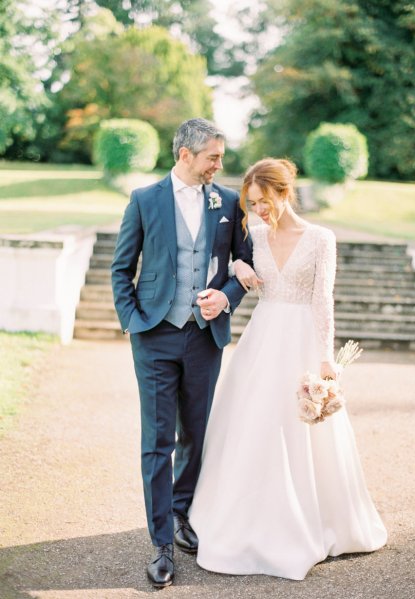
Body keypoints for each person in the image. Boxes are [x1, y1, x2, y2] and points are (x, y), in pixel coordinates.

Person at [189, 157, 387, 580]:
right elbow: (227, 265)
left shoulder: (320, 238)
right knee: (253, 424)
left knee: (302, 432)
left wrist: (324, 359)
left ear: (283, 192)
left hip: (301, 342)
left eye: (263, 201)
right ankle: (246, 514)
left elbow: (323, 300)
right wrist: (239, 266)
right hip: (262, 339)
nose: (258, 210)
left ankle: (311, 518)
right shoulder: (254, 236)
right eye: (251, 203)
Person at [111, 118, 253, 588]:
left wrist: (227, 296)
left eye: (220, 157)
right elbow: (121, 268)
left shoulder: (228, 202)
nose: (219, 165)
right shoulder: (144, 200)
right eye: (213, 156)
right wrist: (134, 322)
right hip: (154, 335)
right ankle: (160, 544)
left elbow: (246, 264)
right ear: (185, 155)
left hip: (204, 337)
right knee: (157, 440)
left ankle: (181, 514)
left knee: (195, 432)